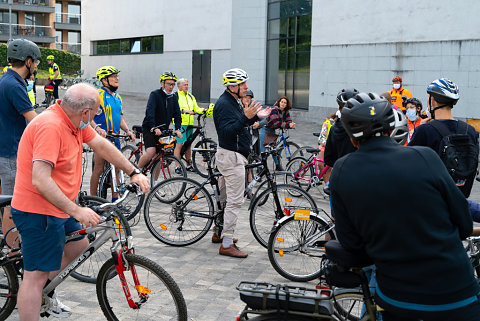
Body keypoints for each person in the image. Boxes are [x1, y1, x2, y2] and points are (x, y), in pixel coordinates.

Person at [330, 92, 480, 321]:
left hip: (397, 299)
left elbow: (352, 244)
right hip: (455, 295)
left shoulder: (342, 171)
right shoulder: (426, 157)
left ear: (351, 138)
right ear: (392, 129)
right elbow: (464, 222)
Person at [10, 83, 150, 321]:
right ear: (85, 112)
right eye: (96, 113)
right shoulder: (51, 126)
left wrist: (133, 171)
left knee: (78, 246)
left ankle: (46, 290)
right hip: (39, 210)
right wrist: (76, 210)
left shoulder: (73, 121)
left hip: (60, 205)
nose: (95, 117)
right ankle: (36, 294)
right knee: (34, 276)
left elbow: (101, 145)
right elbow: (40, 180)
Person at [213, 68, 270, 258]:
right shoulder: (224, 104)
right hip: (232, 157)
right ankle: (227, 243)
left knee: (224, 197)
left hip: (232, 156)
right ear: (232, 86)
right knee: (235, 201)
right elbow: (227, 131)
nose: (246, 87)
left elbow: (240, 121)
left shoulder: (233, 101)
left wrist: (255, 117)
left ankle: (218, 232)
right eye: (243, 84)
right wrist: (246, 118)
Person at [0, 39, 40, 251]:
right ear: (27, 61)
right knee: (11, 203)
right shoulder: (14, 86)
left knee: (6, 199)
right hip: (9, 153)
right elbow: (35, 120)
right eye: (35, 62)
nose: (36, 66)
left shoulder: (5, 80)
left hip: (4, 149)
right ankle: (12, 252)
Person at [409, 78, 479, 198]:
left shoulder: (424, 130)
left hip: (432, 201)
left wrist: (419, 128)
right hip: (460, 199)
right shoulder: (470, 131)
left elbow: (408, 163)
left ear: (433, 101)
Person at [89, 66, 135, 199]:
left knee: (117, 168)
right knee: (98, 169)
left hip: (115, 138)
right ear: (104, 80)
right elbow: (89, 117)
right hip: (102, 139)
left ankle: (115, 199)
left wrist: (127, 130)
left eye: (117, 76)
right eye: (113, 76)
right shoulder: (98, 96)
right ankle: (92, 199)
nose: (117, 78)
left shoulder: (118, 98)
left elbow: (120, 118)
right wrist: (97, 128)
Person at [137, 72, 182, 170]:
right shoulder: (155, 94)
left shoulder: (173, 97)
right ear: (162, 84)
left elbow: (177, 114)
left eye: (173, 84)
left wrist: (178, 129)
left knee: (159, 156)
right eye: (169, 84)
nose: (171, 87)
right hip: (150, 127)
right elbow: (150, 112)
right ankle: (137, 171)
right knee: (151, 152)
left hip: (163, 129)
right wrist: (154, 127)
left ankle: (155, 182)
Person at [323, 88, 359, 182]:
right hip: (358, 176)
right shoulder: (362, 128)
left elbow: (328, 159)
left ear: (340, 108)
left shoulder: (334, 128)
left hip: (340, 175)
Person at [173, 78, 205, 172]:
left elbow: (196, 108)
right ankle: (177, 166)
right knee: (179, 144)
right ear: (179, 86)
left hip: (190, 123)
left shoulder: (191, 96)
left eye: (187, 84)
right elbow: (173, 110)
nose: (187, 86)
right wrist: (184, 111)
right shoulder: (176, 96)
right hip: (181, 123)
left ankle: (188, 165)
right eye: (185, 85)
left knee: (188, 145)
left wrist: (204, 111)